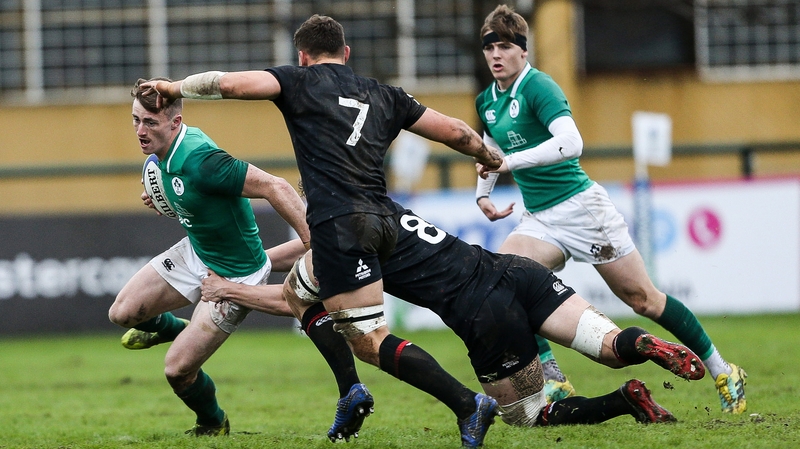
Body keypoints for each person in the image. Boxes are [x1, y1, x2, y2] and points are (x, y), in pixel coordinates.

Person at [139, 14, 506, 448]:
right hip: (387, 220)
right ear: (346, 54)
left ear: (302, 56)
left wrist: (173, 88)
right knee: (298, 294)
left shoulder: (299, 82)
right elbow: (456, 132)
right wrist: (490, 156)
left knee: (370, 341)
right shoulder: (386, 94)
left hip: (340, 224)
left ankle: (467, 404)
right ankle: (350, 392)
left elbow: (231, 85)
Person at [200, 203, 705, 435]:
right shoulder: (379, 206)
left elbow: (298, 296)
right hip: (517, 272)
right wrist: (260, 265)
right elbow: (307, 248)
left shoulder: (346, 237)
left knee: (531, 417)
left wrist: (230, 289)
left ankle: (624, 401)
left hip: (485, 314)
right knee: (612, 346)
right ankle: (644, 348)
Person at [472, 4, 746, 414]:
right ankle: (553, 378)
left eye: (505, 46)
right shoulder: (487, 100)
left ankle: (724, 371)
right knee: (504, 276)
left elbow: (571, 143)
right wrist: (483, 194)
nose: (496, 54)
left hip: (583, 210)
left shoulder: (538, 87)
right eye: (489, 47)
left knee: (644, 301)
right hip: (541, 218)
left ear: (523, 51)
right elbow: (490, 147)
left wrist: (510, 163)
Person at [107, 78, 311, 436]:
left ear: (175, 123)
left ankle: (212, 422)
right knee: (122, 313)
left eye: (149, 123)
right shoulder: (160, 157)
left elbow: (274, 186)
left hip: (237, 274)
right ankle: (178, 329)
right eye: (136, 120)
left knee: (177, 371)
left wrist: (314, 240)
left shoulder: (202, 159)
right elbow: (189, 195)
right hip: (196, 252)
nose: (140, 130)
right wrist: (164, 200)